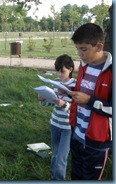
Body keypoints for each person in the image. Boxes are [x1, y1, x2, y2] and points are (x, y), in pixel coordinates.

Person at [68, 23, 112, 180]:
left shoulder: (111, 71)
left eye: (84, 49)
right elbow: (81, 93)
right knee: (76, 176)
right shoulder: (83, 66)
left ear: (99, 46)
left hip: (96, 142)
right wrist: (67, 93)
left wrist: (89, 101)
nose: (80, 54)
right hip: (77, 135)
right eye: (77, 49)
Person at [38, 54, 75, 180]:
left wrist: (65, 104)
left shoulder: (75, 85)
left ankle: (59, 179)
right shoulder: (55, 82)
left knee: (61, 158)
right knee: (54, 155)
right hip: (54, 123)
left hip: (67, 126)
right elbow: (51, 101)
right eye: (57, 71)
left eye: (62, 71)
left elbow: (77, 107)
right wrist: (43, 99)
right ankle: (54, 177)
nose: (59, 74)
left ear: (70, 69)